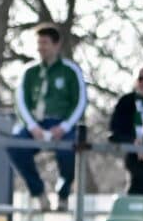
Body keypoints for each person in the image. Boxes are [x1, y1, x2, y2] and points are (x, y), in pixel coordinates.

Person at [10, 23, 86, 209]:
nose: (40, 48)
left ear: (56, 44)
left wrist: (65, 127)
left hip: (61, 124)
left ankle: (63, 194)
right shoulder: (29, 72)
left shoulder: (70, 70)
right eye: (38, 43)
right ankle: (38, 192)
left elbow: (80, 101)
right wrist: (32, 127)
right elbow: (20, 102)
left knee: (70, 150)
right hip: (36, 124)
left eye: (45, 43)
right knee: (15, 145)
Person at [110, 64, 143, 198]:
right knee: (134, 198)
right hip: (134, 163)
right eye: (141, 79)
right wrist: (133, 142)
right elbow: (114, 132)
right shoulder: (126, 102)